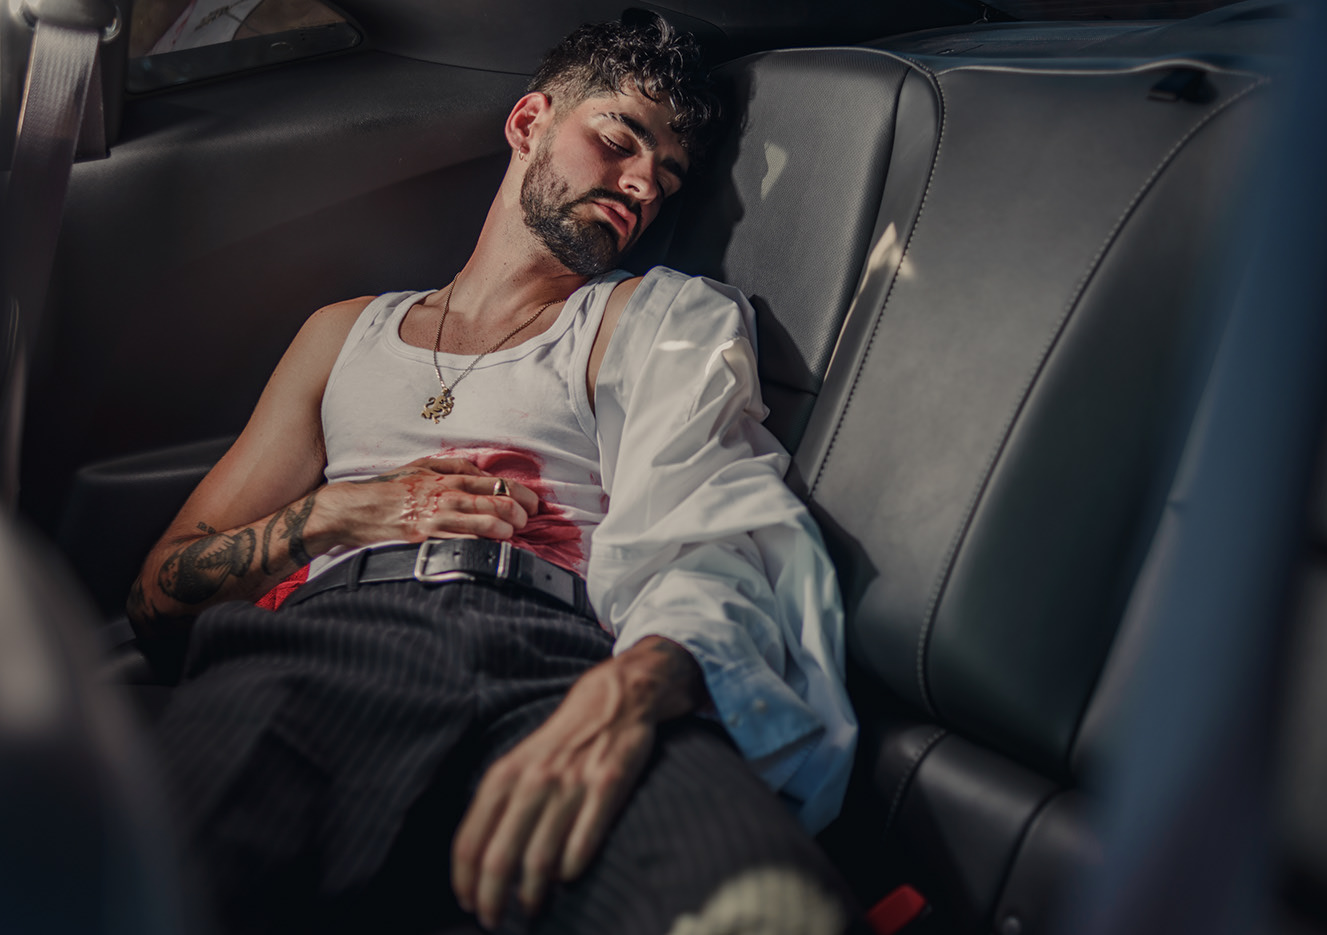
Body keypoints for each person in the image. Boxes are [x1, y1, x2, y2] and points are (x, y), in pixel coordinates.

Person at [127, 16, 859, 935]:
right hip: (328, 648)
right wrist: (332, 516)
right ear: (527, 124)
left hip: (563, 663)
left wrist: (631, 692)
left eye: (666, 178)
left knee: (777, 913)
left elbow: (713, 531)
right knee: (128, 889)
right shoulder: (339, 334)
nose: (641, 185)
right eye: (620, 140)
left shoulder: (661, 316)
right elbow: (157, 595)